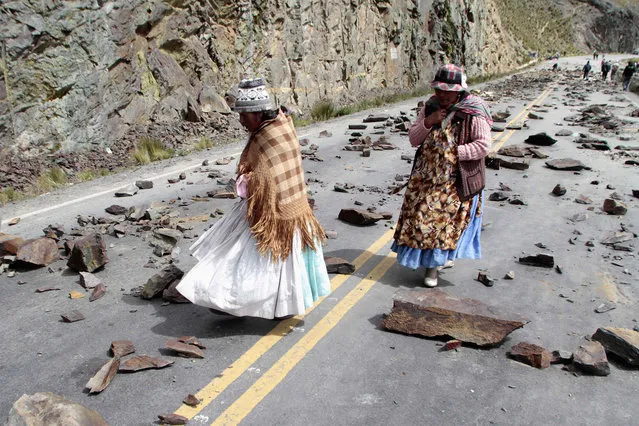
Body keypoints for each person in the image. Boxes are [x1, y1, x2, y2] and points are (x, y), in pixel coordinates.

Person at [176, 77, 330, 319]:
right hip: (275, 206)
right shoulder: (275, 126)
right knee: (262, 259)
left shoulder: (272, 134)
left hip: (279, 211)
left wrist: (247, 181)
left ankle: (235, 301)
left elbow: (269, 175)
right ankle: (272, 305)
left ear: (257, 114)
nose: (240, 121)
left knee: (251, 259)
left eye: (243, 116)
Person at [391, 64, 493, 287]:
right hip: (424, 178)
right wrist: (429, 121)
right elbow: (414, 139)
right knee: (418, 218)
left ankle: (433, 268)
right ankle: (432, 260)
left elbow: (484, 145)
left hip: (453, 180)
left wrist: (455, 152)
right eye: (439, 90)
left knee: (438, 222)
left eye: (446, 91)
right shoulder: (430, 107)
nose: (442, 95)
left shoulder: (473, 110)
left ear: (458, 90)